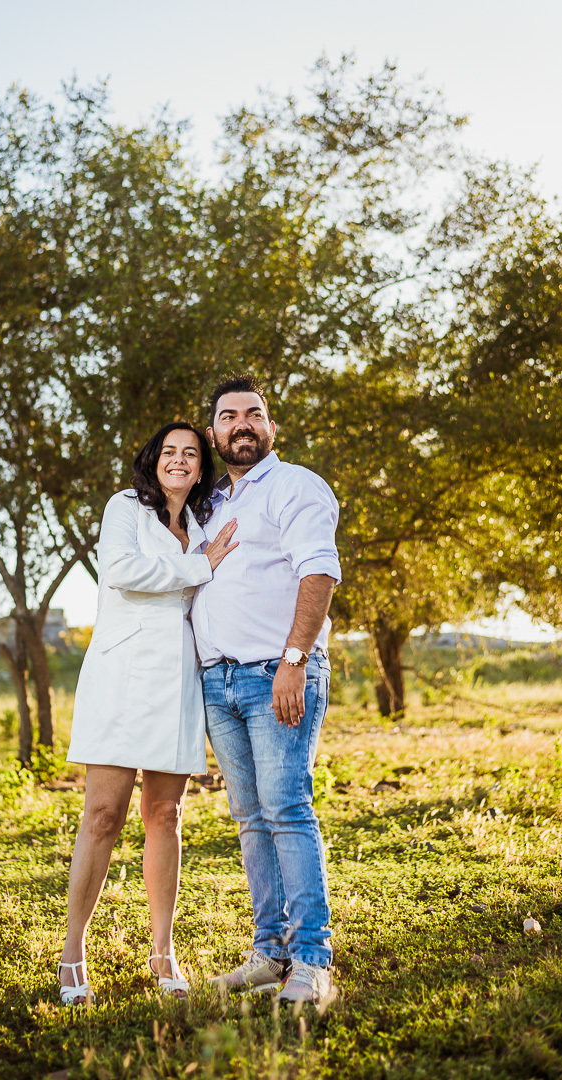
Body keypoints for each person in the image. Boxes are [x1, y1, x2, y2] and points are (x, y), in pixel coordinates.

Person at [59, 422, 238, 1004]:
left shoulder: (205, 527)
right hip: (121, 676)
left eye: (191, 453)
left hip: (179, 680)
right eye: (169, 451)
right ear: (154, 459)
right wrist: (199, 566)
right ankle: (73, 952)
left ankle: (163, 952)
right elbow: (122, 573)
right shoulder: (125, 508)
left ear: (201, 467)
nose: (179, 460)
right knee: (102, 816)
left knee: (165, 815)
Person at [191, 374, 342, 1011]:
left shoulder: (295, 486)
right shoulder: (207, 504)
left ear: (271, 427)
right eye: (229, 417)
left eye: (253, 414)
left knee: (286, 810)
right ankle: (269, 952)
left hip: (274, 675)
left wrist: (294, 661)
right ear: (214, 433)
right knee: (251, 818)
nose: (242, 425)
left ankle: (311, 961)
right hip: (218, 681)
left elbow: (319, 571)